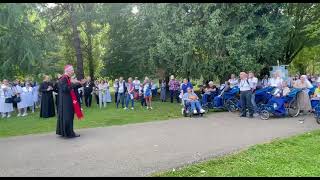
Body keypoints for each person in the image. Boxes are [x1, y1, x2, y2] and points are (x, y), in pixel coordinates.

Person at [56, 65, 83, 138]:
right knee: (68, 117)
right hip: (66, 102)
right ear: (67, 71)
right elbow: (66, 88)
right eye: (72, 70)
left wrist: (79, 83)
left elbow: (72, 88)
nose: (73, 71)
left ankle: (65, 132)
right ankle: (69, 133)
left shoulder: (67, 78)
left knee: (67, 117)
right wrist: (73, 83)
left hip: (67, 101)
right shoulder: (63, 78)